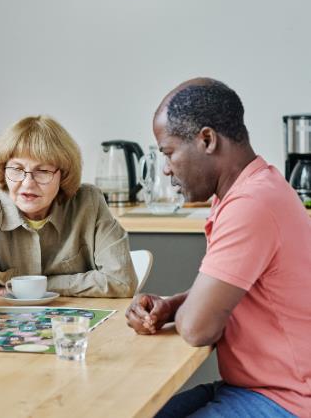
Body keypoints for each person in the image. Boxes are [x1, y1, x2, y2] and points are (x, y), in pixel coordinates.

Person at [125, 78, 311, 417]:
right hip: (256, 387)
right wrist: (172, 305)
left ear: (207, 140)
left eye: (168, 152)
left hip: (288, 399)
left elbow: (198, 329)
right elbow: (241, 292)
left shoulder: (251, 204)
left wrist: (188, 310)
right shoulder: (250, 189)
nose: (166, 169)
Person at [0, 115, 137, 321]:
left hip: (73, 328)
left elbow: (121, 280)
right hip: (2, 327)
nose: (27, 183)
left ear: (63, 176)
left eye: (42, 171)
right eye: (17, 169)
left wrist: (38, 287)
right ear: (3, 169)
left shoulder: (89, 203)